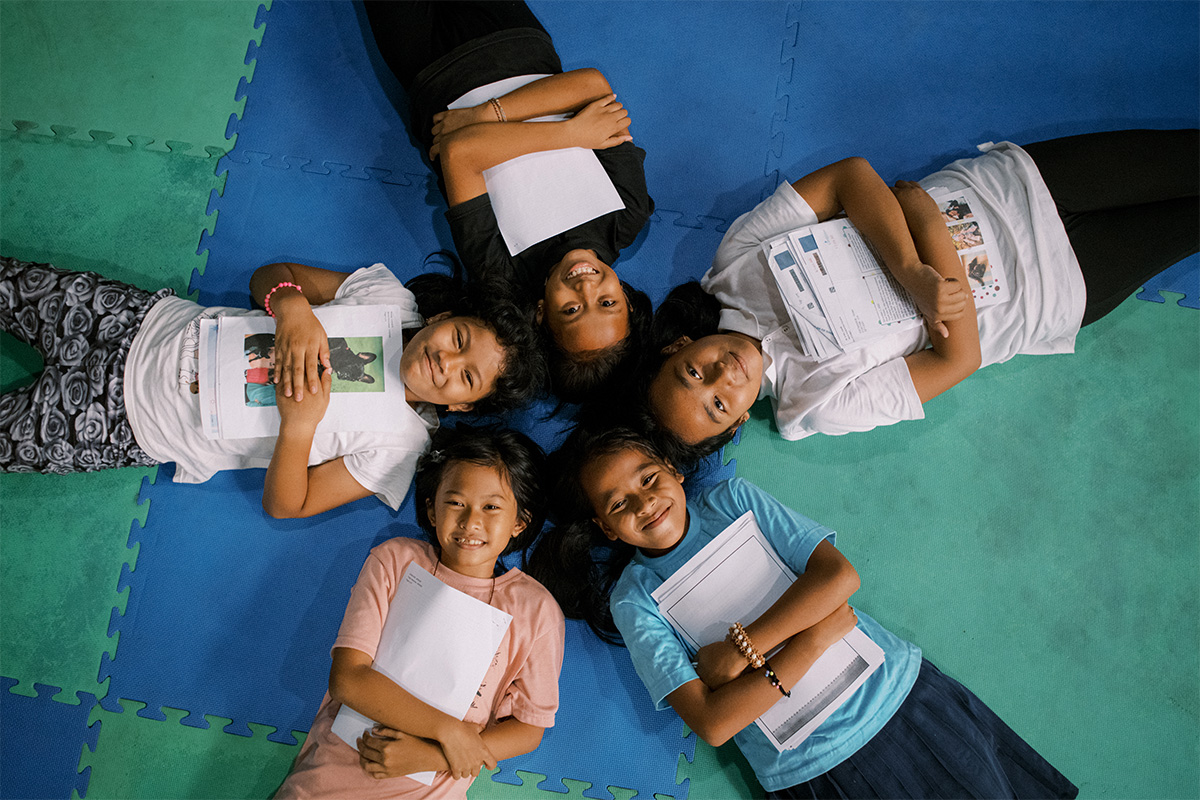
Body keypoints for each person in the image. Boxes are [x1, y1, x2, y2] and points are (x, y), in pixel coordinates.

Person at [530, 426, 1078, 799]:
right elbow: (715, 723)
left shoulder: (733, 500)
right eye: (617, 503)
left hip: (899, 696)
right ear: (604, 527)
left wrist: (745, 650)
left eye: (647, 478)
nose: (643, 502)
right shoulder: (634, 599)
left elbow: (839, 578)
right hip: (815, 768)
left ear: (672, 469)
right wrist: (811, 640)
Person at [640, 129, 1199, 462]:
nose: (723, 378)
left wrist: (912, 270)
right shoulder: (813, 408)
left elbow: (850, 177)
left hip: (1009, 187)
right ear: (736, 423)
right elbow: (961, 359)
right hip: (1055, 287)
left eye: (694, 373)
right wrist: (923, 222)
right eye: (718, 406)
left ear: (679, 346)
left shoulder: (733, 261)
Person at [0, 257, 545, 517]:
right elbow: (270, 274)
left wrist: (299, 428)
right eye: (457, 337)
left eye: (466, 376)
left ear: (466, 403)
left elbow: (289, 505)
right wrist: (291, 308)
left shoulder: (400, 447)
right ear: (444, 315)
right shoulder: (389, 298)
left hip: (128, 422)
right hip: (138, 322)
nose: (445, 360)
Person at [364, 0, 655, 401]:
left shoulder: (501, 272)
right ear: (627, 300)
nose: (585, 287)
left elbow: (460, 153)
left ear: (540, 313)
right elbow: (591, 85)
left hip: (430, 72)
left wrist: (574, 133)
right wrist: (490, 115)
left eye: (570, 310)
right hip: (515, 38)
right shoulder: (626, 213)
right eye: (606, 302)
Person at [274, 425, 565, 799]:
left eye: (491, 507)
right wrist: (448, 730)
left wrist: (429, 756)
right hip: (328, 782)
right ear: (431, 508)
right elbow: (348, 679)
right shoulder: (397, 560)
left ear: (519, 523)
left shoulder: (536, 610)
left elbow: (528, 729)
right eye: (455, 502)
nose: (470, 521)